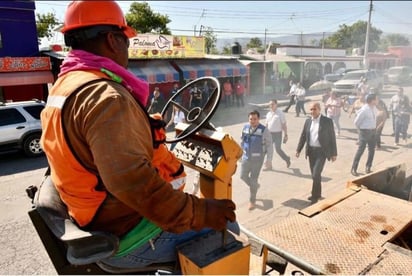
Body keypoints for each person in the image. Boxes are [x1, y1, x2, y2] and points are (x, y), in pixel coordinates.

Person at [40, 0, 237, 270]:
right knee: (226, 228)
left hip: (92, 218)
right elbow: (132, 183)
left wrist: (145, 129)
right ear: (112, 39)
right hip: (127, 235)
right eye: (126, 41)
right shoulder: (106, 98)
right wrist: (201, 212)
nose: (128, 50)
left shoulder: (64, 86)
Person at [296, 102, 337, 204]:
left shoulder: (327, 121)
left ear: (319, 109)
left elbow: (332, 137)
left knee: (316, 174)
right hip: (311, 152)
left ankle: (314, 196)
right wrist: (298, 150)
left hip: (321, 152)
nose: (312, 111)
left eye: (314, 109)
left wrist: (334, 153)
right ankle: (318, 194)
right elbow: (303, 136)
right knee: (315, 175)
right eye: (310, 109)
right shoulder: (308, 121)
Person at [240, 110, 273, 210]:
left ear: (258, 119)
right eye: (251, 119)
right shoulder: (245, 128)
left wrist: (269, 160)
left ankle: (252, 201)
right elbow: (242, 142)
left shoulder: (264, 130)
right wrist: (239, 155)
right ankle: (255, 186)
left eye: (255, 119)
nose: (252, 121)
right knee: (243, 176)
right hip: (246, 158)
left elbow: (269, 145)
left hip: (257, 160)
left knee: (253, 179)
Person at [350, 93, 378, 176]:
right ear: (372, 100)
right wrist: (360, 132)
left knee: (372, 150)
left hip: (373, 132)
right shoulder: (364, 110)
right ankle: (354, 168)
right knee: (360, 151)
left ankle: (368, 167)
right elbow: (356, 122)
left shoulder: (374, 108)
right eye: (376, 99)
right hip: (364, 132)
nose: (377, 100)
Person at [264, 99, 291, 170]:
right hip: (270, 134)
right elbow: (266, 124)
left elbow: (284, 124)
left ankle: (287, 159)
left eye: (272, 104)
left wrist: (286, 134)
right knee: (268, 149)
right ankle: (269, 166)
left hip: (278, 134)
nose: (271, 106)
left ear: (276, 104)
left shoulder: (280, 113)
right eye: (270, 104)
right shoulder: (268, 114)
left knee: (278, 149)